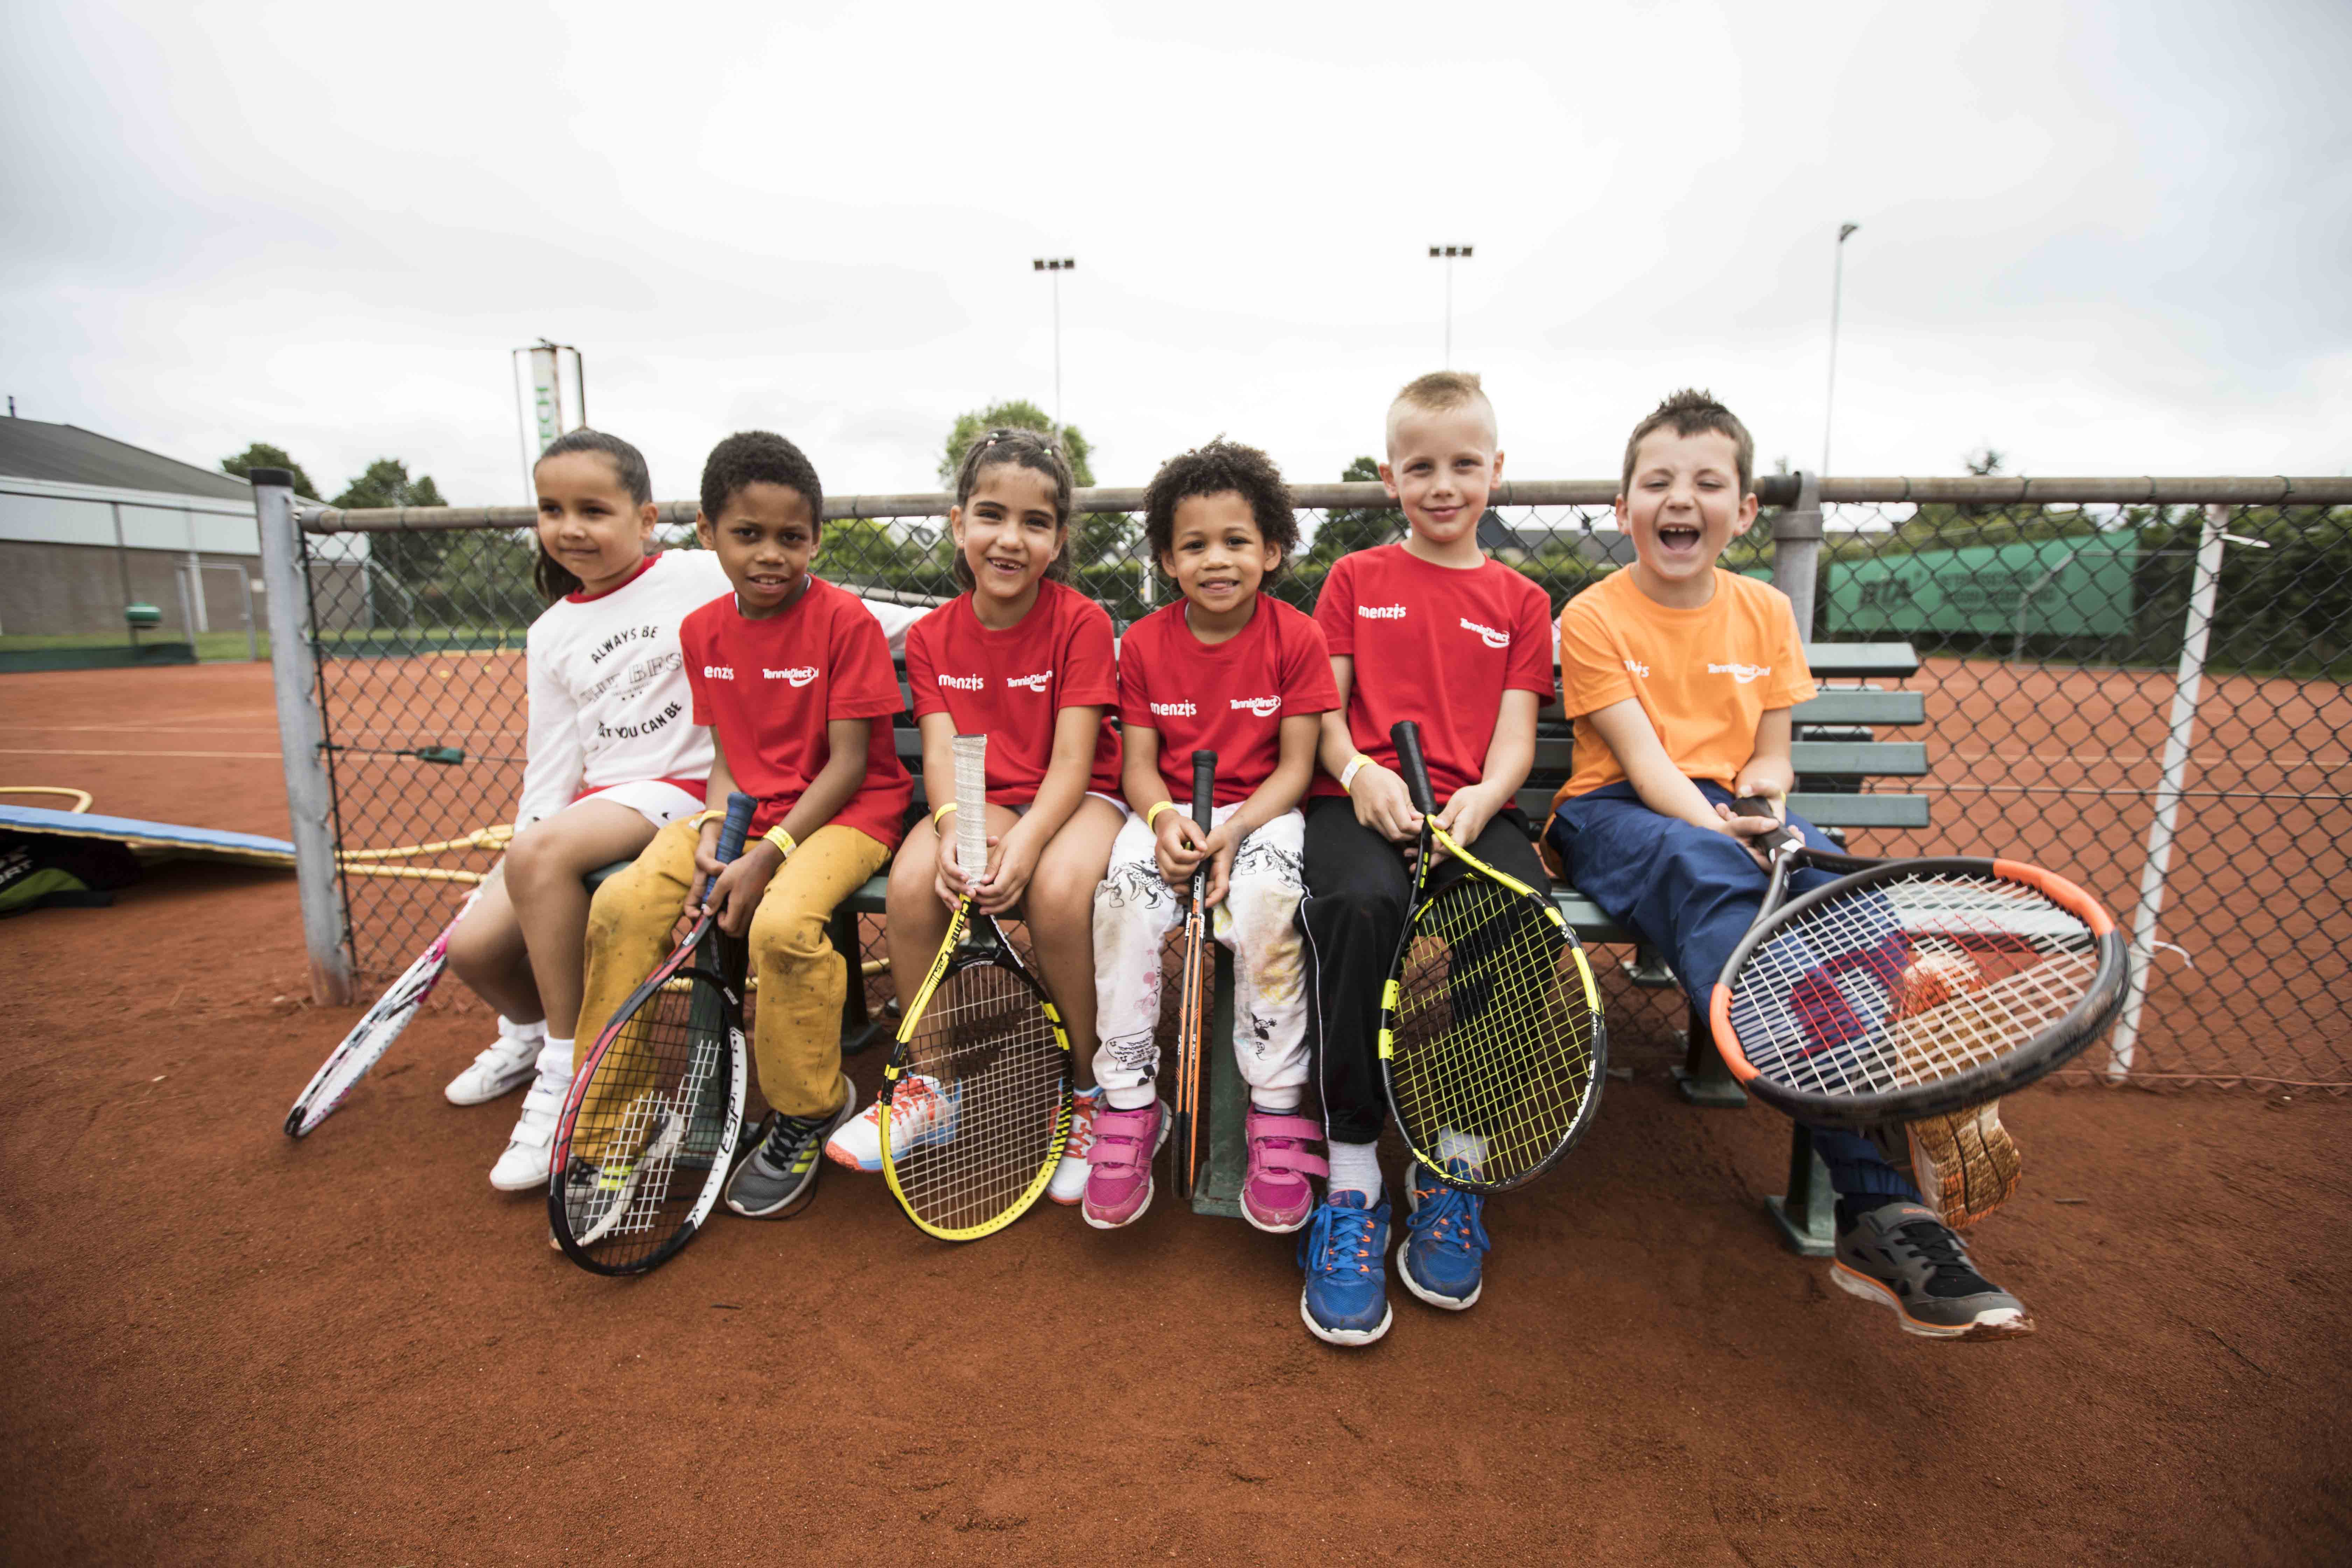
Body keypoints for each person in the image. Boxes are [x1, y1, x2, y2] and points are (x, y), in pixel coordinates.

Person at [1545, 388, 2031, 1340]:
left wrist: (1764, 808)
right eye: (1657, 483)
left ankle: (1887, 1173)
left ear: (1745, 512)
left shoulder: (1765, 611)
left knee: (1841, 888)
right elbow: (1646, 769)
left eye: (1707, 483)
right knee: (1717, 881)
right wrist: (1726, 823)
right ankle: (1883, 1163)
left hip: (1729, 813)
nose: (1679, 499)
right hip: (1616, 815)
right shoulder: (1593, 616)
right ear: (1622, 508)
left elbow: (1773, 753)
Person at [569, 430, 912, 1220]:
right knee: (622, 906)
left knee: (784, 925)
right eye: (747, 534)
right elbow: (728, 761)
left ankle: (807, 1106)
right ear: (706, 531)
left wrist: (768, 855)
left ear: (817, 539)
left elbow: (849, 767)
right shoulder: (701, 633)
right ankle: (611, 1127)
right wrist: (717, 841)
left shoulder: (845, 622)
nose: (770, 555)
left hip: (848, 815)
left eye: (791, 538)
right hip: (749, 820)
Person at [1294, 372, 1559, 1345]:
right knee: (1357, 910)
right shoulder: (1355, 581)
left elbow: (1517, 741)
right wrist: (1363, 777)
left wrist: (1480, 803)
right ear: (1388, 477)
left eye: (1463, 465)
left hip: (1470, 805)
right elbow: (1328, 720)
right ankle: (1356, 1173)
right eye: (1421, 467)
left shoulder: (1522, 599)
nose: (1443, 485)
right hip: (1365, 802)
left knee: (1517, 914)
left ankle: (1454, 1160)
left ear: (1496, 470)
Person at [826, 428, 1123, 1206]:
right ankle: (933, 1085)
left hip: (1084, 794)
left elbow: (1071, 763)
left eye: (1034, 522)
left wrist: (1022, 842)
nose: (1010, 539)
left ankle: (1090, 1093)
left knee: (1058, 889)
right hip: (987, 794)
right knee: (917, 875)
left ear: (1058, 540)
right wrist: (957, 828)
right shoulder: (929, 637)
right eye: (991, 515)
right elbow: (945, 754)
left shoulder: (1082, 622)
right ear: (959, 525)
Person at [442, 428, 730, 1193]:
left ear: (646, 518)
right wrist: (517, 857)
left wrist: (967, 625)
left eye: (593, 509)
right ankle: (530, 1027)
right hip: (597, 803)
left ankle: (569, 1071)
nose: (571, 527)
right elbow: (552, 765)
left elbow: (832, 608)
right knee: (472, 948)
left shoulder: (704, 573)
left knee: (536, 857)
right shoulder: (550, 632)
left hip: (685, 790)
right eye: (551, 508)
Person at [1083, 440, 1336, 1231]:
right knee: (1122, 898)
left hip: (1263, 812)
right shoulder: (1147, 643)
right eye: (1194, 544)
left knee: (1269, 901)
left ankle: (1276, 1102)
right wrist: (1163, 819)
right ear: (1167, 556)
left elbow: (1296, 769)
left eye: (1236, 541)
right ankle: (1128, 1101)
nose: (1216, 559)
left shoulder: (1297, 636)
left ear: (1271, 550)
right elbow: (1139, 769)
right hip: (1167, 815)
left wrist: (1233, 830)